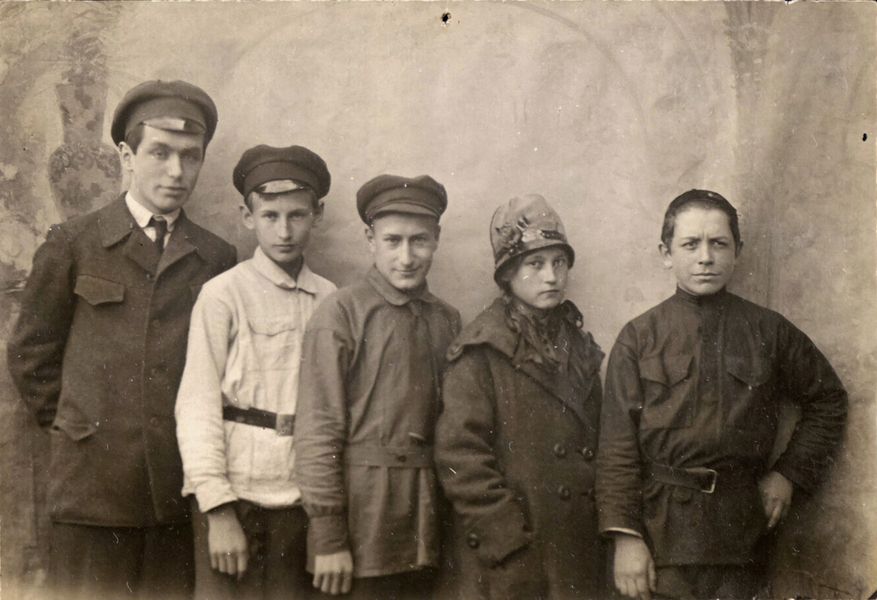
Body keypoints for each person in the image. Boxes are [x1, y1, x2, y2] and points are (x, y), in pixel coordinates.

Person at [7, 79, 237, 599]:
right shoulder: (73, 243)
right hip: (89, 491)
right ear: (127, 156)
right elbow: (32, 355)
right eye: (160, 152)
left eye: (190, 156)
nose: (176, 171)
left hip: (172, 491)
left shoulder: (216, 258)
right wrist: (80, 429)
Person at [596, 189, 848, 600]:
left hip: (743, 533)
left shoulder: (768, 330)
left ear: (737, 251)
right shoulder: (639, 338)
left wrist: (788, 474)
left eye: (718, 243)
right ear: (665, 253)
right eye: (690, 244)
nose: (705, 257)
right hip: (661, 537)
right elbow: (617, 447)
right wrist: (626, 537)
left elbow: (829, 399)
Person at [175, 144, 336, 599]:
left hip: (300, 502)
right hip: (234, 497)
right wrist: (217, 508)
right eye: (270, 216)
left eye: (297, 215)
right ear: (248, 217)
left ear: (317, 215)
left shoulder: (331, 300)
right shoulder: (223, 294)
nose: (284, 231)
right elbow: (197, 404)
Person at [294, 174, 461, 598]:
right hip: (362, 519)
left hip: (428, 518)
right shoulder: (341, 313)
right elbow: (317, 429)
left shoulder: (447, 320)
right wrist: (329, 535)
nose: (406, 257)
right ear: (370, 240)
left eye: (419, 241)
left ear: (437, 239)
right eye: (392, 241)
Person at [435, 194, 607, 600]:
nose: (551, 277)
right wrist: (508, 543)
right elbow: (461, 458)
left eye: (559, 262)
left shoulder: (578, 345)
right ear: (508, 274)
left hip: (576, 547)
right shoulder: (481, 350)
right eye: (536, 264)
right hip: (516, 554)